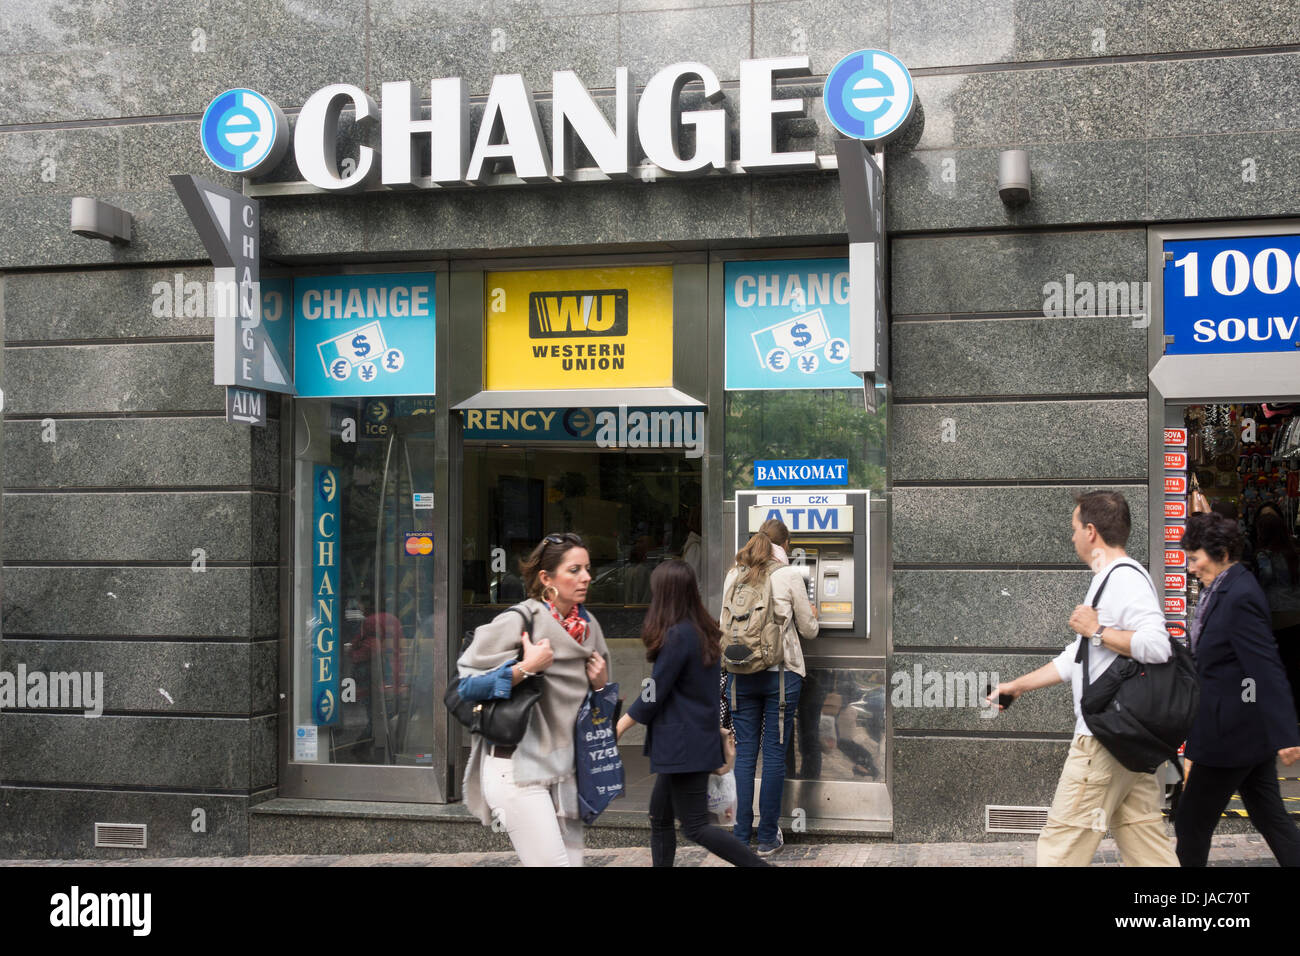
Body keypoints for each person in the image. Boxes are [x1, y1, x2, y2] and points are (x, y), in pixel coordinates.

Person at [989, 491, 1179, 866]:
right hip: (1126, 743)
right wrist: (1016, 687)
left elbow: (1158, 646)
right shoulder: (1108, 579)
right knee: (1147, 850)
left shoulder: (1124, 579)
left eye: (1074, 528)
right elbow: (1074, 661)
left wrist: (1097, 630)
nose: (1071, 536)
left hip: (1103, 741)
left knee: (1061, 848)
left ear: (1091, 531)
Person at [455, 532, 611, 867]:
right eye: (574, 570)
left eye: (587, 568)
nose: (586, 577)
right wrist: (526, 668)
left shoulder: (589, 627)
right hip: (516, 770)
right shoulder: (520, 620)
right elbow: (464, 686)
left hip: (565, 774)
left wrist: (601, 687)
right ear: (546, 578)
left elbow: (598, 714)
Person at [615, 560, 768, 867]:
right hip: (690, 742)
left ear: (665, 593)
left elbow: (653, 692)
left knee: (695, 826)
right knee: (659, 817)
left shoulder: (678, 636)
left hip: (683, 746)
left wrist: (619, 725)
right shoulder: (700, 630)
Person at [1174, 512, 1300, 866]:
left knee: (1191, 822)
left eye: (1195, 557)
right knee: (1270, 817)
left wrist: (1286, 732)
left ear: (1223, 553)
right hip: (1246, 732)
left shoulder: (1240, 593)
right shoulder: (1218, 588)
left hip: (1228, 735)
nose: (1190, 567)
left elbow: (1265, 666)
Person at [721, 517, 818, 856]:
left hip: (740, 674)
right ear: (785, 545)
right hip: (779, 675)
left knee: (745, 754)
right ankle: (766, 838)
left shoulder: (735, 573)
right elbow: (809, 630)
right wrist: (813, 614)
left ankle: (739, 835)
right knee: (774, 753)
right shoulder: (789, 574)